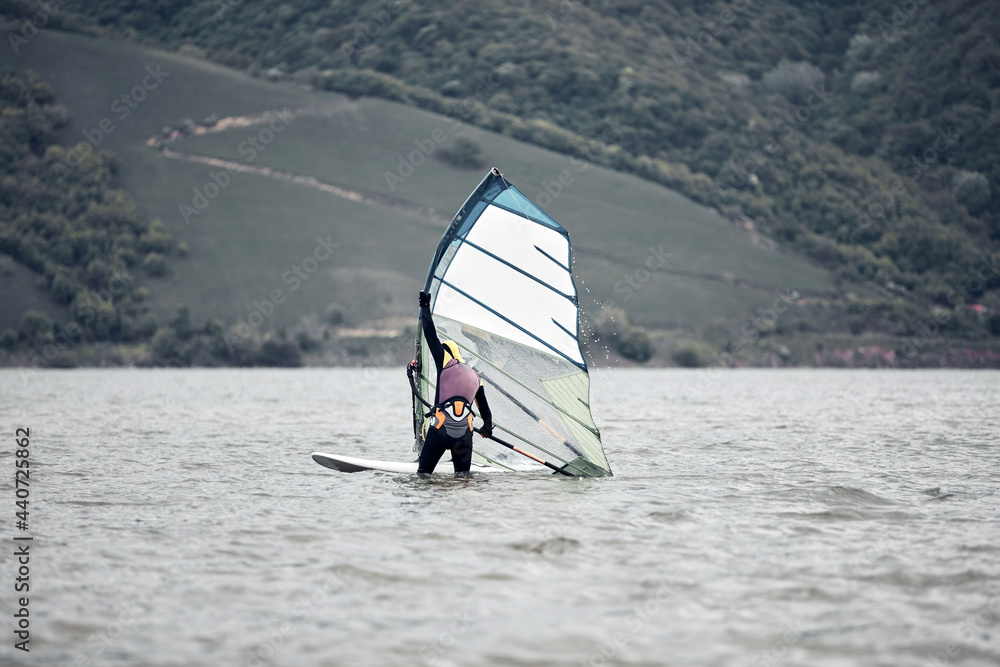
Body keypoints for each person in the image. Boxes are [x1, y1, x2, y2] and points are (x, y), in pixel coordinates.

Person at [416, 290, 493, 475]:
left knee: (423, 475)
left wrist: (424, 306)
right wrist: (486, 429)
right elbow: (486, 414)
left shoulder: (446, 361)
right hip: (464, 437)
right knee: (462, 478)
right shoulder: (476, 377)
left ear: (447, 352)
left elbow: (430, 335)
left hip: (440, 432)